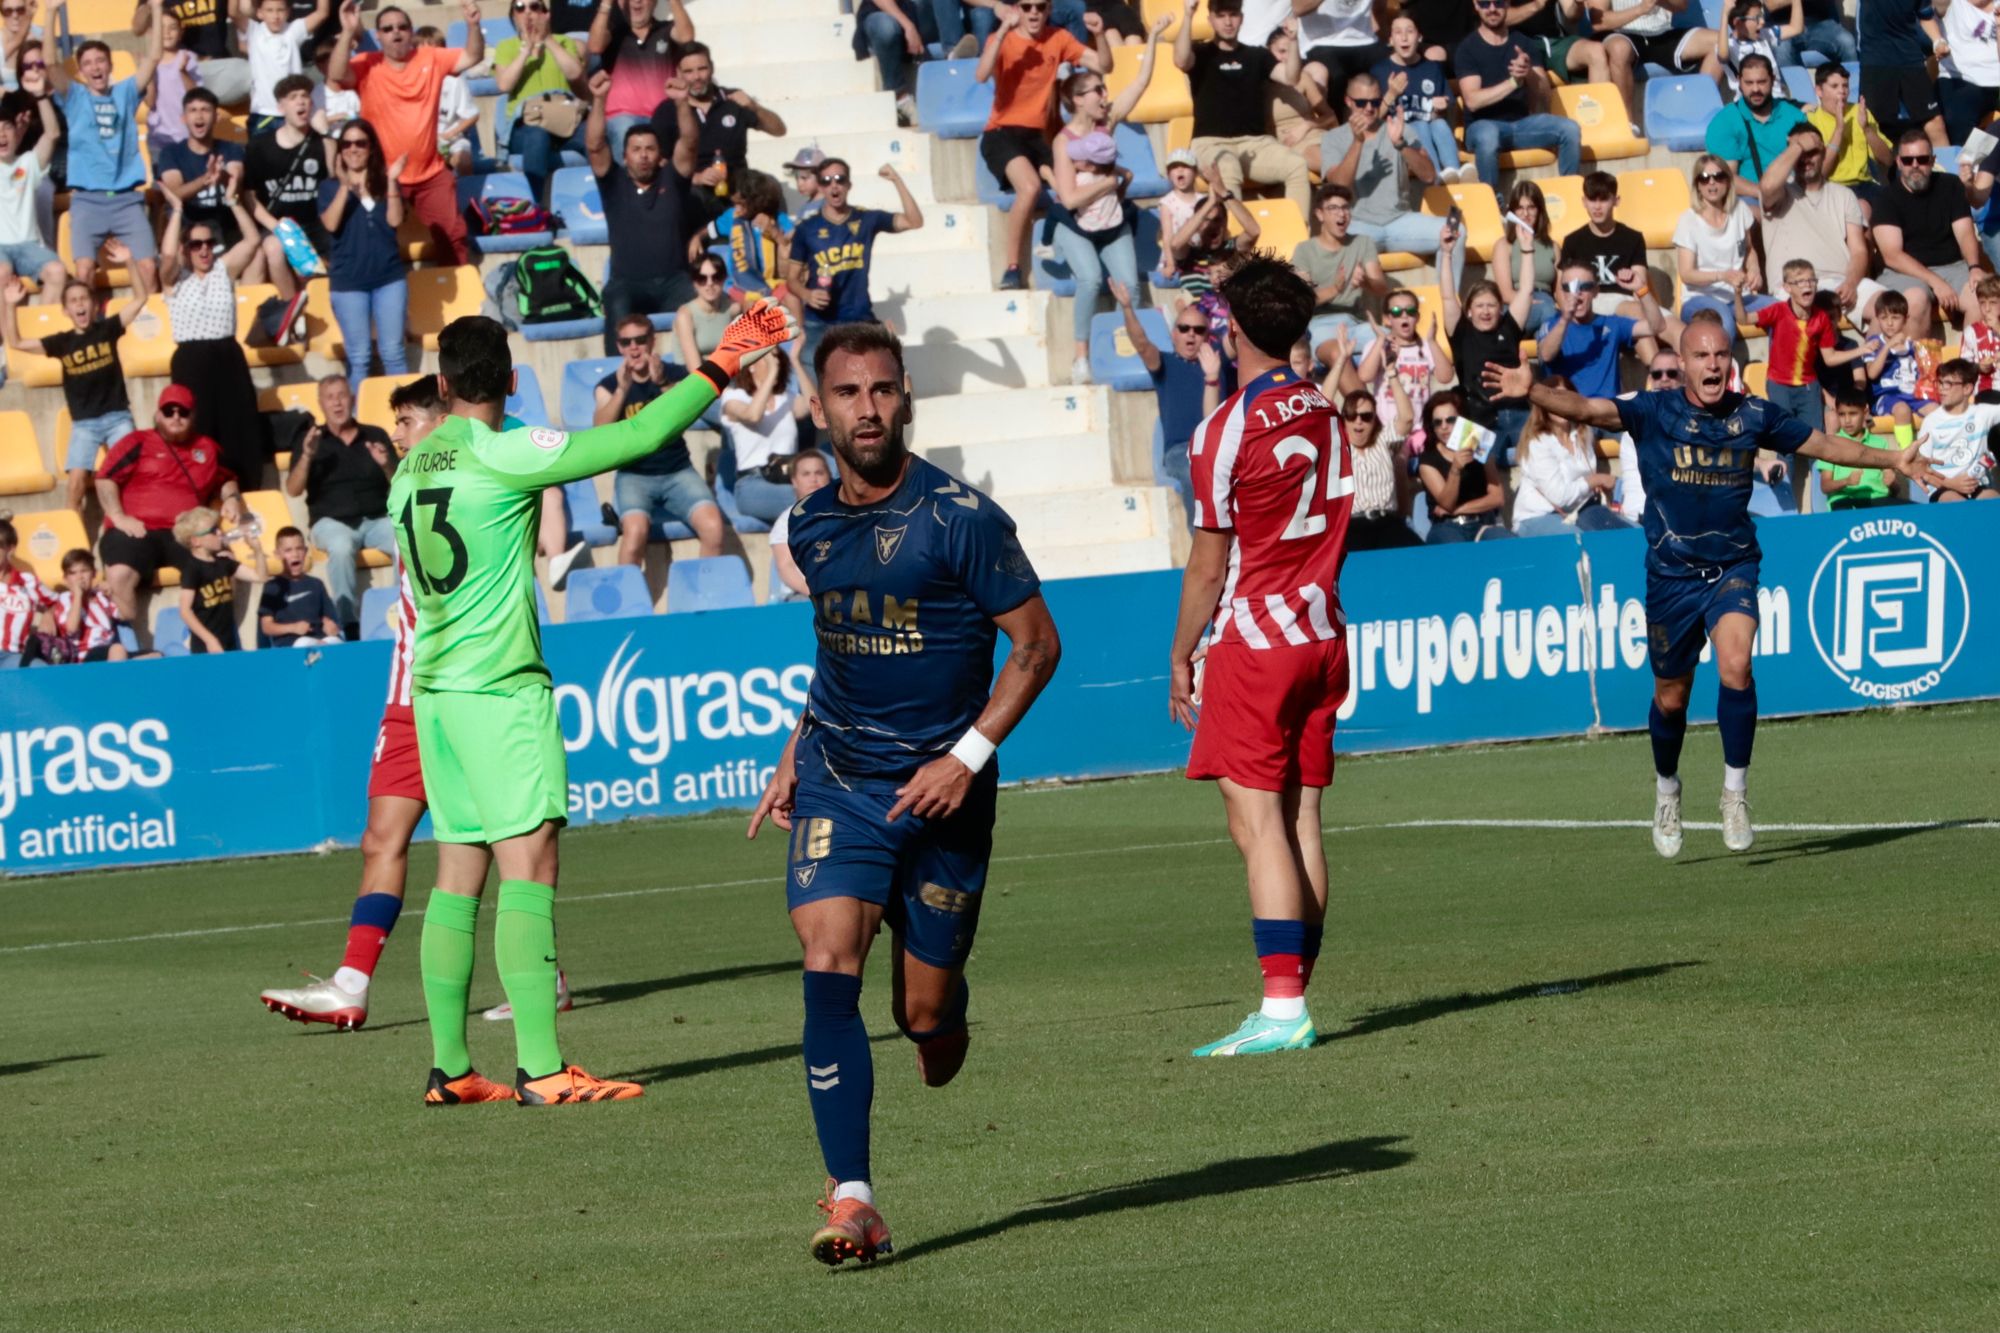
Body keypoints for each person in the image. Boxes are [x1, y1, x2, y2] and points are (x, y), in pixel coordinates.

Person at [392, 304, 793, 1106]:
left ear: (440, 385)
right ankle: (542, 1068)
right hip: (498, 689)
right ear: (510, 381)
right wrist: (720, 363)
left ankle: (451, 1065)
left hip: (434, 691)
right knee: (530, 863)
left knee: (456, 874)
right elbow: (637, 440)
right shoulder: (506, 451)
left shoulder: (413, 463)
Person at [745, 321, 1059, 1266]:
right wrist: (798, 746)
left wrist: (965, 755)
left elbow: (1038, 645)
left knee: (924, 1017)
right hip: (842, 780)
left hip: (947, 793)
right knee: (825, 951)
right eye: (848, 393)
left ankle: (941, 1008)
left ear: (906, 393)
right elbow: (836, 654)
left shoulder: (963, 518)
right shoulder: (809, 524)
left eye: (882, 390)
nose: (867, 408)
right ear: (820, 405)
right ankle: (854, 1198)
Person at [1483, 309, 1925, 857]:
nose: (1713, 364)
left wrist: (1893, 459)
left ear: (1730, 363)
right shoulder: (1652, 410)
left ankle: (1734, 793)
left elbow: (1825, 446)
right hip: (1671, 575)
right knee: (1672, 699)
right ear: (1685, 364)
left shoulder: (1753, 414)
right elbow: (1587, 407)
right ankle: (1667, 788)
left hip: (1734, 565)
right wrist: (1536, 393)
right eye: (1701, 355)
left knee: (1737, 664)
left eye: (1721, 355)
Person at [1163, 256, 1347, 1059]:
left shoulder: (1224, 428)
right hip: (1321, 633)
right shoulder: (1327, 408)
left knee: (1258, 821)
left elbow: (1209, 561)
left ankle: (1281, 1005)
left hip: (1256, 640)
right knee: (1302, 814)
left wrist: (1180, 654)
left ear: (1230, 328)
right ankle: (1294, 990)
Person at [260, 377, 441, 1033]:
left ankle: (543, 971)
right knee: (380, 839)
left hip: (456, 694)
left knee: (488, 844)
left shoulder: (465, 489)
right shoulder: (404, 492)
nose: (396, 435)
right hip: (407, 696)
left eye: (409, 421)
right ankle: (351, 983)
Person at [1047, 27, 1166, 384]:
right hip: (1075, 225)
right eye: (1097, 89)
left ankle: (1124, 345)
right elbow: (1069, 199)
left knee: (1129, 286)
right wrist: (1109, 182)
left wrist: (1155, 38)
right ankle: (1081, 357)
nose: (1104, 94)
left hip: (1112, 223)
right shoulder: (1063, 141)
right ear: (1078, 99)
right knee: (1090, 279)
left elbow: (1139, 85)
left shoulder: (1107, 122)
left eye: (1103, 88)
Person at [328, 0, 485, 268]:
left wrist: (473, 25)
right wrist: (347, 31)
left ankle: (458, 298)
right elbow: (335, 74)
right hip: (382, 173)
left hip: (430, 172)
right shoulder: (367, 63)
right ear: (378, 36)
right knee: (374, 239)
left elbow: (473, 56)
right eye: (387, 29)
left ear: (411, 31)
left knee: (453, 236)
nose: (396, 32)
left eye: (402, 27)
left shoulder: (431, 58)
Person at [979, 0, 1110, 289]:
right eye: (1027, 6)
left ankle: (1093, 250)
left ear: (1049, 9)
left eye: (1040, 6)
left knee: (1084, 177)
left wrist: (1100, 35)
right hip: (1002, 132)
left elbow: (1103, 65)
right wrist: (1002, 30)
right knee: (1030, 187)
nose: (1034, 12)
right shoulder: (1003, 37)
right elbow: (981, 74)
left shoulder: (1057, 38)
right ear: (1018, 10)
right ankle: (1012, 266)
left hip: (1041, 136)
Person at [2, 271, 148, 514]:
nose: (79, 304)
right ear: (66, 311)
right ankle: (73, 536)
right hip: (85, 424)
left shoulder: (108, 328)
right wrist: (9, 304)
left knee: (133, 471)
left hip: (117, 417)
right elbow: (15, 342)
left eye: (84, 298)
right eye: (73, 300)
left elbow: (141, 297)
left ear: (94, 305)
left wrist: (129, 262)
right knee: (75, 483)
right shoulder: (62, 342)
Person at [48, 3, 164, 294]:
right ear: (82, 70)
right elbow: (50, 64)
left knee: (149, 268)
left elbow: (154, 57)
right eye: (87, 63)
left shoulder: (124, 93)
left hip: (126, 199)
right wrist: (50, 13)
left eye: (101, 61)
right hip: (87, 201)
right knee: (84, 271)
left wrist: (158, 8)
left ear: (110, 65)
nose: (95, 67)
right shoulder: (74, 96)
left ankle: (147, 335)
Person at [161, 185, 270, 486]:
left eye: (209, 243)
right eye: (196, 245)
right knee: (199, 427)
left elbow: (251, 240)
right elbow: (168, 257)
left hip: (227, 355)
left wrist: (234, 200)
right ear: (187, 249)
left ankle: (245, 487)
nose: (204, 249)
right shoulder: (175, 280)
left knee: (238, 426)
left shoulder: (223, 270)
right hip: (191, 359)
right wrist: (177, 211)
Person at [594, 311, 724, 563]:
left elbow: (692, 406)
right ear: (619, 347)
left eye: (640, 340)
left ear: (653, 341)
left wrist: (663, 383)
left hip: (678, 471)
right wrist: (623, 390)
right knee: (633, 536)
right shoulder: (608, 385)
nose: (634, 348)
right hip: (634, 476)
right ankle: (630, 602)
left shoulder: (675, 375)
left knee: (714, 528)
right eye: (626, 342)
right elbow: (600, 429)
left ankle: (704, 599)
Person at [585, 66, 698, 353]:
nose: (644, 155)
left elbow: (691, 143)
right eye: (636, 149)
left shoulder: (673, 178)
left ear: (660, 155)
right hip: (627, 284)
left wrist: (683, 103)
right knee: (616, 301)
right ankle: (619, 379)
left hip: (674, 281)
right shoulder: (614, 183)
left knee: (699, 305)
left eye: (650, 148)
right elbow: (596, 145)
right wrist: (599, 100)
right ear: (625, 156)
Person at [1318, 70, 1461, 294]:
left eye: (1375, 102)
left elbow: (1429, 176)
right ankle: (1354, 322)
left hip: (1400, 221)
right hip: (1357, 225)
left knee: (1455, 232)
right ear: (1348, 101)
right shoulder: (1333, 138)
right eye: (1361, 102)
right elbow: (1339, 187)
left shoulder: (1399, 129)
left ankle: (1448, 307)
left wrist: (1402, 145)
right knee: (1337, 254)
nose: (1368, 108)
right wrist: (1357, 143)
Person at [1112, 277, 1232, 526]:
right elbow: (1142, 344)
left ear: (1207, 336)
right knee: (1195, 474)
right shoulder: (1165, 363)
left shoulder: (1217, 361)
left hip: (1218, 449)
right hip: (1182, 450)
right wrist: (1126, 308)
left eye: (1199, 330)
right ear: (1173, 333)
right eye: (1184, 328)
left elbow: (1240, 335)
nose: (1191, 335)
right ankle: (1200, 542)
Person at [1176, 0, 1311, 222]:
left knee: (1297, 165)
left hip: (1255, 143)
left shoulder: (1257, 56)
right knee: (1227, 166)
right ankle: (1236, 247)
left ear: (1242, 18)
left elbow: (1291, 77)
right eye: (1221, 16)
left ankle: (1298, 241)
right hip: (1211, 142)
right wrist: (1188, 15)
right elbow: (1181, 60)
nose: (1228, 22)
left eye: (1233, 15)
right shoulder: (1200, 53)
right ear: (1210, 19)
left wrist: (1294, 41)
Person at [787, 158, 922, 371]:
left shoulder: (866, 219)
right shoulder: (807, 228)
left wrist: (897, 180)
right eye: (827, 180)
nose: (834, 185)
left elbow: (914, 221)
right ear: (821, 187)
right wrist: (806, 295)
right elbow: (791, 279)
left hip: (859, 317)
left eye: (840, 179)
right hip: (820, 322)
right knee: (816, 390)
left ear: (849, 184)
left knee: (881, 375)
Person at [285, 374, 397, 631]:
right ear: (321, 404)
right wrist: (307, 456)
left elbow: (398, 480)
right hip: (331, 523)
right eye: (330, 397)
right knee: (341, 545)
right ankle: (349, 624)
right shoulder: (310, 441)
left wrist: (386, 464)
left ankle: (395, 611)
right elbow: (293, 489)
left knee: (404, 536)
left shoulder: (375, 434)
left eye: (342, 396)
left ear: (353, 400)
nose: (337, 403)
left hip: (377, 519)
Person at [1758, 124, 1881, 327]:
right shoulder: (1781, 193)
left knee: (1890, 308)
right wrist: (1797, 146)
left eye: (1812, 152)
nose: (1806, 159)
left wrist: (1850, 283)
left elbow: (1859, 251)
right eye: (1800, 153)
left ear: (1823, 152)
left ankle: (1875, 358)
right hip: (1794, 287)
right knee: (1816, 311)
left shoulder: (1844, 195)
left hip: (1841, 282)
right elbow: (1768, 185)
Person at [1872, 129, 1987, 342]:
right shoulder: (1886, 198)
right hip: (1905, 273)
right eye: (1908, 160)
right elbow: (1892, 255)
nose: (1915, 165)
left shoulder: (1951, 185)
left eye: (1922, 159)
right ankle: (1918, 372)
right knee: (1915, 302)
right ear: (1898, 162)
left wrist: (1975, 267)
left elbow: (1965, 233)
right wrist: (1935, 281)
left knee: (1985, 297)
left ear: (1933, 160)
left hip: (1953, 267)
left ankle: (1969, 367)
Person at [318, 117, 409, 387]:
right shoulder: (329, 187)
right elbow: (331, 223)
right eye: (346, 144)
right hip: (349, 281)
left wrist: (392, 182)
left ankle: (408, 421)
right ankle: (360, 420)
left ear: (371, 148)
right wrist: (346, 187)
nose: (353, 149)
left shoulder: (385, 182)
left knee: (393, 352)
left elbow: (395, 221)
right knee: (359, 357)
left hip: (389, 278)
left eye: (360, 143)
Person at [1454, 0, 1580, 188]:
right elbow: (1472, 101)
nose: (1492, 9)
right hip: (1482, 126)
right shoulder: (1467, 49)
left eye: (1498, 2)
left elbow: (1545, 95)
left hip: (1520, 125)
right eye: (1485, 3)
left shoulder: (1523, 43)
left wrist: (1528, 72)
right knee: (1488, 136)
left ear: (1507, 4)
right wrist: (1512, 83)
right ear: (1476, 5)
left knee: (1570, 129)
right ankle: (1492, 203)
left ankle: (1570, 191)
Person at [1441, 238, 1534, 460]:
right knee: (1471, 470)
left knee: (1545, 457)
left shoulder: (1509, 327)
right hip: (1476, 415)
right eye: (1479, 306)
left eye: (1491, 305)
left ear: (1500, 309)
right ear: (1469, 310)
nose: (1485, 311)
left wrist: (1527, 249)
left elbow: (1526, 291)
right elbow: (1447, 296)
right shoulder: (1461, 332)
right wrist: (1446, 254)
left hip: (1519, 411)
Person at [243, 73, 332, 301]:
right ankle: (291, 307)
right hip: (278, 224)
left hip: (317, 224)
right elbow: (249, 195)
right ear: (281, 107)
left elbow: (335, 177)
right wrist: (275, 226)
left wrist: (327, 134)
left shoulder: (322, 141)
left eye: (305, 96)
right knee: (273, 247)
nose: (301, 101)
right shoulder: (259, 146)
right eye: (293, 97)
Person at [494, 0, 587, 209]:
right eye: (520, 7)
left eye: (535, 7)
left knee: (594, 136)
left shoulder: (563, 42)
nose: (528, 13)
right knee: (538, 135)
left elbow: (574, 73)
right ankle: (536, 208)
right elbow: (504, 84)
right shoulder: (506, 47)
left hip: (565, 121)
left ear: (546, 14)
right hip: (526, 126)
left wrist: (548, 41)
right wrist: (526, 51)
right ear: (513, 16)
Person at [1512, 375, 1631, 535]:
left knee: (1627, 530)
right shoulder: (1538, 443)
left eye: (1565, 398)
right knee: (1576, 540)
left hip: (1579, 511)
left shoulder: (1583, 433)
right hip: (1538, 515)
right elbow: (1559, 496)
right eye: (1554, 398)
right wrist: (1595, 479)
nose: (1560, 405)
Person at [1539, 260, 1668, 399]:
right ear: (1562, 293)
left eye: (1585, 286)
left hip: (1604, 412)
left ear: (1596, 291)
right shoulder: (1552, 325)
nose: (1578, 294)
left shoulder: (1611, 324)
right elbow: (1546, 354)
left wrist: (1641, 289)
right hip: (1568, 411)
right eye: (1569, 287)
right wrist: (1565, 319)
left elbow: (1657, 326)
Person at [155, 88, 254, 266]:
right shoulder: (171, 153)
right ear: (183, 118)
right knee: (173, 255)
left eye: (205, 110)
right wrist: (205, 179)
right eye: (193, 110)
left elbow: (236, 184)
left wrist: (221, 176)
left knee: (258, 254)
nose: (199, 116)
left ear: (216, 117)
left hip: (225, 225)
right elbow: (174, 194)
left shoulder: (231, 149)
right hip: (188, 226)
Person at [586, 0, 693, 162]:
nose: (636, 2)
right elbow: (594, 46)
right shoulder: (613, 34)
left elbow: (687, 37)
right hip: (623, 117)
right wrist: (607, 3)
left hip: (662, 118)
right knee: (626, 130)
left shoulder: (666, 29)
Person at [720, 341, 814, 524]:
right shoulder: (733, 397)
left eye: (778, 357)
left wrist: (795, 361)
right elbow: (753, 416)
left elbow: (813, 406)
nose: (775, 362)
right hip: (752, 484)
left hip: (788, 476)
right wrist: (771, 373)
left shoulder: (786, 398)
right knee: (810, 501)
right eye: (769, 358)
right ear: (752, 365)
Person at [1294, 182, 1387, 366]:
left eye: (1345, 208)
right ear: (1320, 214)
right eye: (1333, 208)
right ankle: (1360, 395)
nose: (1341, 213)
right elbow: (1301, 300)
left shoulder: (1362, 243)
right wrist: (1335, 289)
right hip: (1319, 325)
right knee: (1339, 354)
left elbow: (1381, 287)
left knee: (1394, 343)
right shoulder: (1304, 250)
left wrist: (1366, 282)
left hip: (1355, 324)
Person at [1675, 156, 1774, 325]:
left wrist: (1754, 268)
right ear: (1698, 185)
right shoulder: (1688, 221)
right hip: (1700, 298)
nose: (1712, 183)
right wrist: (1721, 276)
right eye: (1705, 178)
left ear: (1728, 182)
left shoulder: (1740, 210)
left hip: (1738, 296)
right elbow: (1686, 274)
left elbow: (1749, 249)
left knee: (1780, 310)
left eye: (1719, 177)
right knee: (1723, 321)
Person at [1596, 0, 1724, 126]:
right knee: (1619, 49)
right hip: (1621, 33)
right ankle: (1626, 125)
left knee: (1719, 42)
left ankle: (1700, 117)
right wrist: (1640, 9)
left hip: (1662, 33)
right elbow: (1599, 22)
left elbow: (1682, 6)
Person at [1704, 56, 1806, 206]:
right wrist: (1764, 193)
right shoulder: (1725, 121)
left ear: (1773, 79)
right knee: (1750, 215)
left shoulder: (1793, 115)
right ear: (1739, 81)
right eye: (1749, 83)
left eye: (1762, 82)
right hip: (1751, 198)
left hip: (1795, 194)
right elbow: (1726, 177)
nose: (1756, 89)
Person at [1561, 170, 1659, 327]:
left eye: (1604, 199)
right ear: (1584, 201)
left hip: (1628, 302)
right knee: (1637, 313)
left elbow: (1639, 286)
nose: (1597, 207)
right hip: (1592, 302)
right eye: (1592, 200)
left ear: (1616, 201)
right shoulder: (1572, 241)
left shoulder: (1633, 238)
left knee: (1672, 324)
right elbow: (1562, 287)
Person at [1372, 12, 1461, 183]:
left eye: (1410, 31)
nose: (1404, 37)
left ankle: (1455, 174)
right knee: (1419, 125)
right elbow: (1373, 119)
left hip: (1430, 132)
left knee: (1440, 124)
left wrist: (1439, 109)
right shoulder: (1379, 71)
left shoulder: (1432, 69)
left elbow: (1442, 114)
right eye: (1398, 32)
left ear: (1419, 37)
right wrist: (1391, 94)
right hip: (1396, 137)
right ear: (1390, 40)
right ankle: (1434, 177)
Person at [0, 59, 62, 293]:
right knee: (1, 273)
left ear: (17, 132)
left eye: (6, 127)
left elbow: (53, 134)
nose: (2, 135)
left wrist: (40, 96)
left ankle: (45, 329)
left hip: (29, 245)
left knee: (56, 271)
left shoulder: (28, 162)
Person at [1754, 259, 1837, 432]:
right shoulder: (1778, 311)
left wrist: (1860, 350)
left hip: (1808, 385)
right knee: (1785, 437)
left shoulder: (1821, 318)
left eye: (1811, 280)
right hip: (1779, 384)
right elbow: (1743, 319)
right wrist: (1738, 295)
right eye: (1800, 282)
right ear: (1787, 288)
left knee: (1815, 437)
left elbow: (1830, 357)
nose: (1807, 285)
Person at [1415, 390, 1510, 541]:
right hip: (1446, 526)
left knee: (1508, 543)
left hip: (1482, 524)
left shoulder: (1479, 448)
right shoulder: (1428, 460)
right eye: (1437, 422)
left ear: (1462, 420)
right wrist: (1455, 469)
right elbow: (1447, 504)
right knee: (1455, 551)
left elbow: (1498, 498)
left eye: (1450, 420)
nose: (1444, 426)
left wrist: (1459, 510)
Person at [172, 503, 267, 653]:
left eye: (218, 528)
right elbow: (185, 610)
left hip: (228, 641)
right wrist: (210, 640)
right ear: (196, 541)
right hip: (206, 646)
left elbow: (260, 577)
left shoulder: (224, 563)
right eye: (213, 531)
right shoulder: (193, 569)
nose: (220, 533)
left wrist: (258, 550)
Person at [1805, 62, 1890, 213]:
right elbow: (1821, 173)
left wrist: (1867, 129)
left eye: (1845, 86)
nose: (1842, 91)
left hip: (1865, 184)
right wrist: (1839, 130)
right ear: (1819, 90)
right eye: (1834, 86)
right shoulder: (1811, 121)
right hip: (1830, 187)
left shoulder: (1860, 112)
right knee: (1861, 208)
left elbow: (1888, 160)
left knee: (1894, 207)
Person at [1910, 357, 2000, 499]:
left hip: (1979, 485)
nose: (1941, 388)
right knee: (1955, 504)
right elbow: (1921, 467)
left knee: (1993, 501)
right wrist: (1952, 483)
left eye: (1948, 383)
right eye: (1940, 382)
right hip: (1945, 487)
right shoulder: (1931, 422)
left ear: (1967, 388)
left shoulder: (1982, 413)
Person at [1857, 0, 1946, 144]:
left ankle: (1946, 167)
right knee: (1872, 125)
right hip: (1876, 61)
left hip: (1911, 59)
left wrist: (1938, 41)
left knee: (1935, 123)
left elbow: (1926, 16)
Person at [1339, 387, 1418, 548]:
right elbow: (1322, 404)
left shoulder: (1383, 441)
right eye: (1352, 416)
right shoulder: (1338, 448)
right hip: (1353, 525)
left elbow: (1407, 418)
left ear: (1375, 419)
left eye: (1366, 416)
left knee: (1418, 556)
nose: (1358, 421)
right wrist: (1339, 364)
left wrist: (1392, 374)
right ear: (1344, 419)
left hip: (1387, 522)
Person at [136, 0, 251, 105]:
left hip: (218, 67)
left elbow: (237, 12)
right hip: (183, 68)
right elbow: (138, 28)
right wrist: (151, 6)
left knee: (253, 75)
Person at [241, 0, 331, 134]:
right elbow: (233, 12)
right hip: (262, 114)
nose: (275, 16)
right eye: (269, 10)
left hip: (291, 115)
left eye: (280, 10)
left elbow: (322, 13)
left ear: (288, 12)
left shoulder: (294, 30)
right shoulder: (254, 31)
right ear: (260, 13)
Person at [1812, 394, 1903, 509]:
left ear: (1865, 412)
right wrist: (1846, 481)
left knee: (1915, 513)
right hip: (1845, 502)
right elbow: (1825, 486)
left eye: (1853, 414)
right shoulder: (1830, 444)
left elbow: (1895, 489)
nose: (1847, 420)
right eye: (1841, 414)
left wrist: (1892, 483)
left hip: (1878, 501)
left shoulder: (1880, 443)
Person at [258, 525, 342, 645]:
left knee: (336, 642)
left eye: (299, 549)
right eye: (288, 550)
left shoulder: (316, 584)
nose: (295, 554)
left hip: (321, 640)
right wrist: (293, 628)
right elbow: (267, 627)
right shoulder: (272, 587)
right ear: (277, 554)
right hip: (292, 646)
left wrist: (331, 626)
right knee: (303, 644)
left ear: (305, 551)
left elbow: (330, 618)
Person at [1495, 179, 1559, 334]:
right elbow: (1505, 293)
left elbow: (1559, 292)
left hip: (1545, 300)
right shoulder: (1504, 245)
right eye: (1520, 208)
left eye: (1531, 207)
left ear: (1539, 210)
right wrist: (1528, 301)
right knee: (1548, 314)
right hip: (1516, 302)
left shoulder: (1553, 246)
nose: (1525, 214)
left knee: (1551, 320)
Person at [767, 448, 831, 601]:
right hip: (802, 596)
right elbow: (786, 567)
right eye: (806, 474)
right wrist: (816, 594)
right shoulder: (786, 521)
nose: (813, 479)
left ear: (829, 477)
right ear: (794, 481)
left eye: (819, 473)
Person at [50, 548, 128, 664]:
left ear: (94, 573)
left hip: (107, 650)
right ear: (66, 579)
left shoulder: (101, 597)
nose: (80, 577)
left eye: (84, 571)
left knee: (154, 655)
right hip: (83, 656)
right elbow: (71, 629)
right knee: (118, 650)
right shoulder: (65, 599)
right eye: (73, 573)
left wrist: (113, 595)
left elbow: (126, 615)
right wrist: (78, 596)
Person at [0, 516, 56, 668]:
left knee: (41, 671)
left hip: (11, 656)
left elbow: (57, 602)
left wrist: (48, 614)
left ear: (10, 549)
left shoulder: (27, 582)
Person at [674, 252, 740, 381]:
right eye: (702, 278)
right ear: (694, 283)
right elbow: (695, 369)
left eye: (716, 277)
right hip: (693, 382)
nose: (709, 283)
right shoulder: (686, 315)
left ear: (724, 279)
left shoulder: (733, 308)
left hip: (727, 378)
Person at [1769, 0, 1855, 68]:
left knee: (1846, 40)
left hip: (1820, 24)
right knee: (1781, 46)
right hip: (1785, 26)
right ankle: (1790, 89)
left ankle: (1855, 87)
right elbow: (1772, 4)